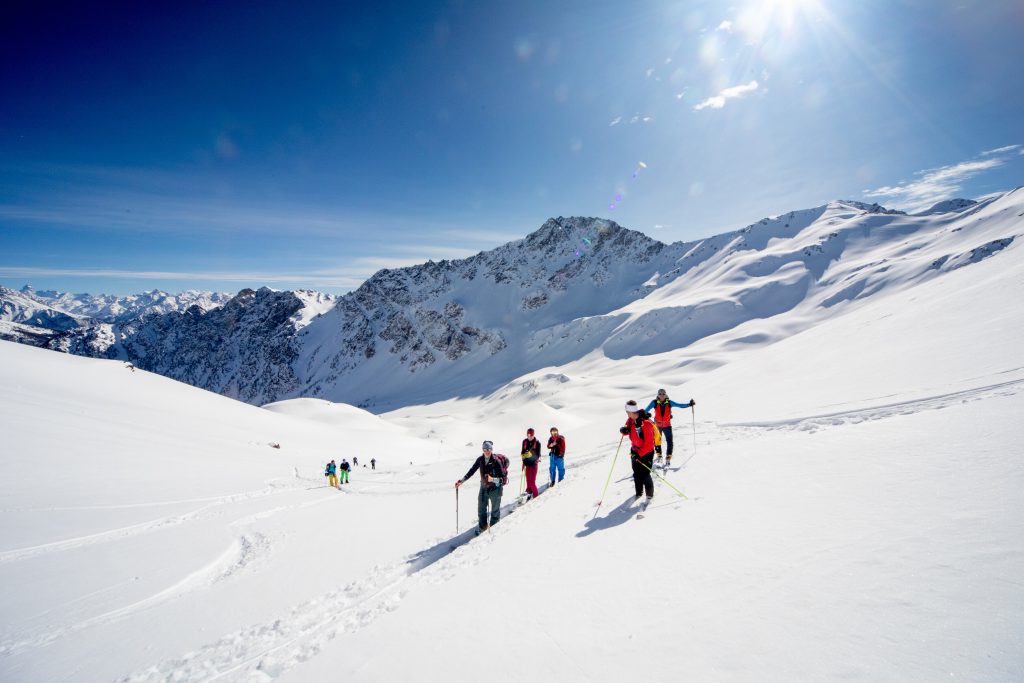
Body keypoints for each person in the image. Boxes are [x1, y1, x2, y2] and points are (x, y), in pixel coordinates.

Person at [455, 441, 508, 533]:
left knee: (495, 511)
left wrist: (493, 479)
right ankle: (483, 528)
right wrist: (461, 481)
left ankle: (493, 529)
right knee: (481, 510)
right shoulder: (480, 460)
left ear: (491, 449)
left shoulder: (496, 461)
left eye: (489, 449)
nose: (487, 451)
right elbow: (471, 471)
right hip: (483, 488)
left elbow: (503, 479)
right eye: (485, 449)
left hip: (496, 489)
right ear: (482, 450)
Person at [645, 389, 696, 467]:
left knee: (669, 441)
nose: (662, 395)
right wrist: (645, 414)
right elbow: (646, 410)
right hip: (657, 425)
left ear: (665, 394)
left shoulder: (669, 402)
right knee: (657, 440)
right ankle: (659, 455)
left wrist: (689, 404)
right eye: (660, 394)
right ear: (658, 395)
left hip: (667, 425)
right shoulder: (654, 402)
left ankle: (668, 456)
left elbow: (680, 405)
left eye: (663, 394)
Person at [620, 400, 656, 503]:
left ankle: (649, 496)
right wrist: (624, 430)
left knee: (645, 474)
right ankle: (638, 492)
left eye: (627, 411)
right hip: (634, 450)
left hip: (646, 453)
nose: (627, 413)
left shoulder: (646, 423)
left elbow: (649, 445)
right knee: (636, 473)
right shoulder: (630, 420)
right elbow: (627, 428)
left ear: (631, 411)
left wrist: (639, 454)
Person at [521, 428, 541, 500]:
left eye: (531, 435)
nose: (529, 437)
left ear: (533, 435)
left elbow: (538, 455)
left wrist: (529, 454)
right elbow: (522, 452)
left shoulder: (537, 443)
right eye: (528, 435)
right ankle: (529, 493)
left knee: (532, 482)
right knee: (528, 481)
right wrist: (523, 462)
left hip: (533, 464)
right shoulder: (524, 441)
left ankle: (536, 496)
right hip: (527, 464)